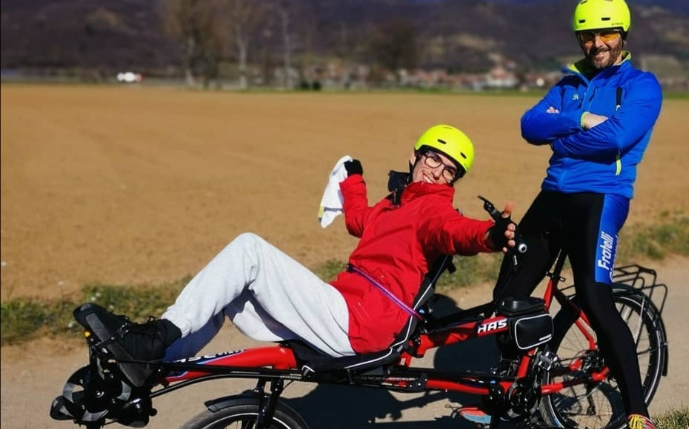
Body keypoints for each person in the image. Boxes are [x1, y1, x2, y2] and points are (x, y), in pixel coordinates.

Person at [74, 124, 518, 389]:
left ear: (454, 178)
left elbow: (455, 232)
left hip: (363, 323)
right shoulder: (395, 203)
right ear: (415, 155)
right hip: (343, 306)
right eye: (432, 158)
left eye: (449, 168)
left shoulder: (433, 208)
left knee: (249, 249)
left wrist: (494, 235)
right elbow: (360, 221)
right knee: (226, 292)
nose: (437, 170)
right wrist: (353, 179)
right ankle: (155, 361)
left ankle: (150, 342)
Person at [491, 0, 664, 429]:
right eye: (588, 34)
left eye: (606, 33)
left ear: (623, 35)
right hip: (553, 196)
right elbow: (529, 125)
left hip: (601, 199)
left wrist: (562, 137)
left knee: (594, 297)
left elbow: (620, 136)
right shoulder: (568, 84)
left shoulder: (642, 86)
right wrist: (583, 117)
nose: (596, 42)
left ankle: (640, 421)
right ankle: (511, 395)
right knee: (506, 297)